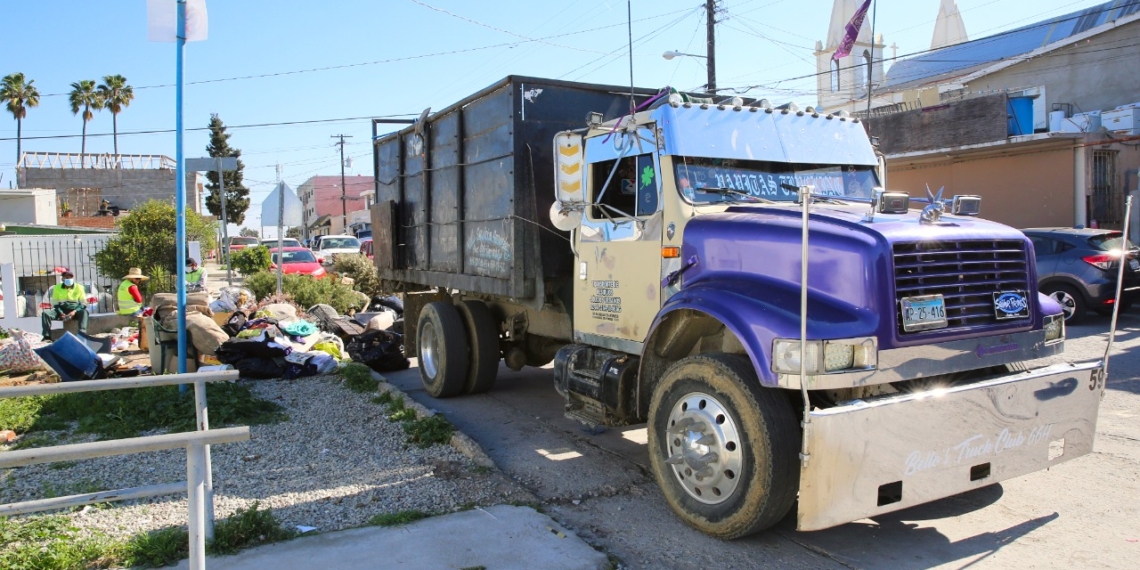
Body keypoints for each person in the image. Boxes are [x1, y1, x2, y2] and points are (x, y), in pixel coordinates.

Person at [41, 270, 88, 342]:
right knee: (45, 314)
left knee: (84, 312)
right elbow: (55, 303)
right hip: (61, 309)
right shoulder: (57, 288)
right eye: (66, 277)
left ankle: (82, 334)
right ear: (62, 279)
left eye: (70, 277)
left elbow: (84, 303)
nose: (69, 279)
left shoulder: (79, 287)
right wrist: (61, 313)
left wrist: (74, 312)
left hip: (74, 309)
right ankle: (47, 336)